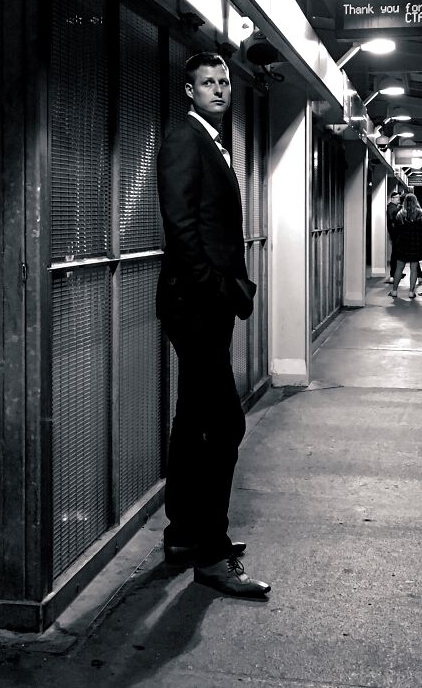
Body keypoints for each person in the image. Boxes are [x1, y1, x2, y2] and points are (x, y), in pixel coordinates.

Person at [156, 51, 270, 600]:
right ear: (189, 90)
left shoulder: (214, 143)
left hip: (204, 306)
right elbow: (181, 231)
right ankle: (213, 554)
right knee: (225, 425)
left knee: (190, 419)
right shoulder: (185, 140)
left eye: (224, 81)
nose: (219, 89)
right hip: (196, 306)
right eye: (208, 82)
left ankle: (183, 535)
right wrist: (221, 289)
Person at [389, 193, 422, 300]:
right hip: (417, 244)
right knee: (414, 269)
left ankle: (394, 291)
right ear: (415, 201)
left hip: (402, 245)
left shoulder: (400, 214)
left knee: (399, 268)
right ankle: (411, 292)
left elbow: (395, 231)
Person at [385, 190, 401, 283]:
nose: (399, 199)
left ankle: (395, 273)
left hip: (394, 234)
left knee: (396, 254)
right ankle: (393, 274)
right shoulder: (392, 207)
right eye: (397, 198)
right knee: (395, 254)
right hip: (395, 234)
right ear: (392, 198)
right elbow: (392, 220)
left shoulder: (392, 207)